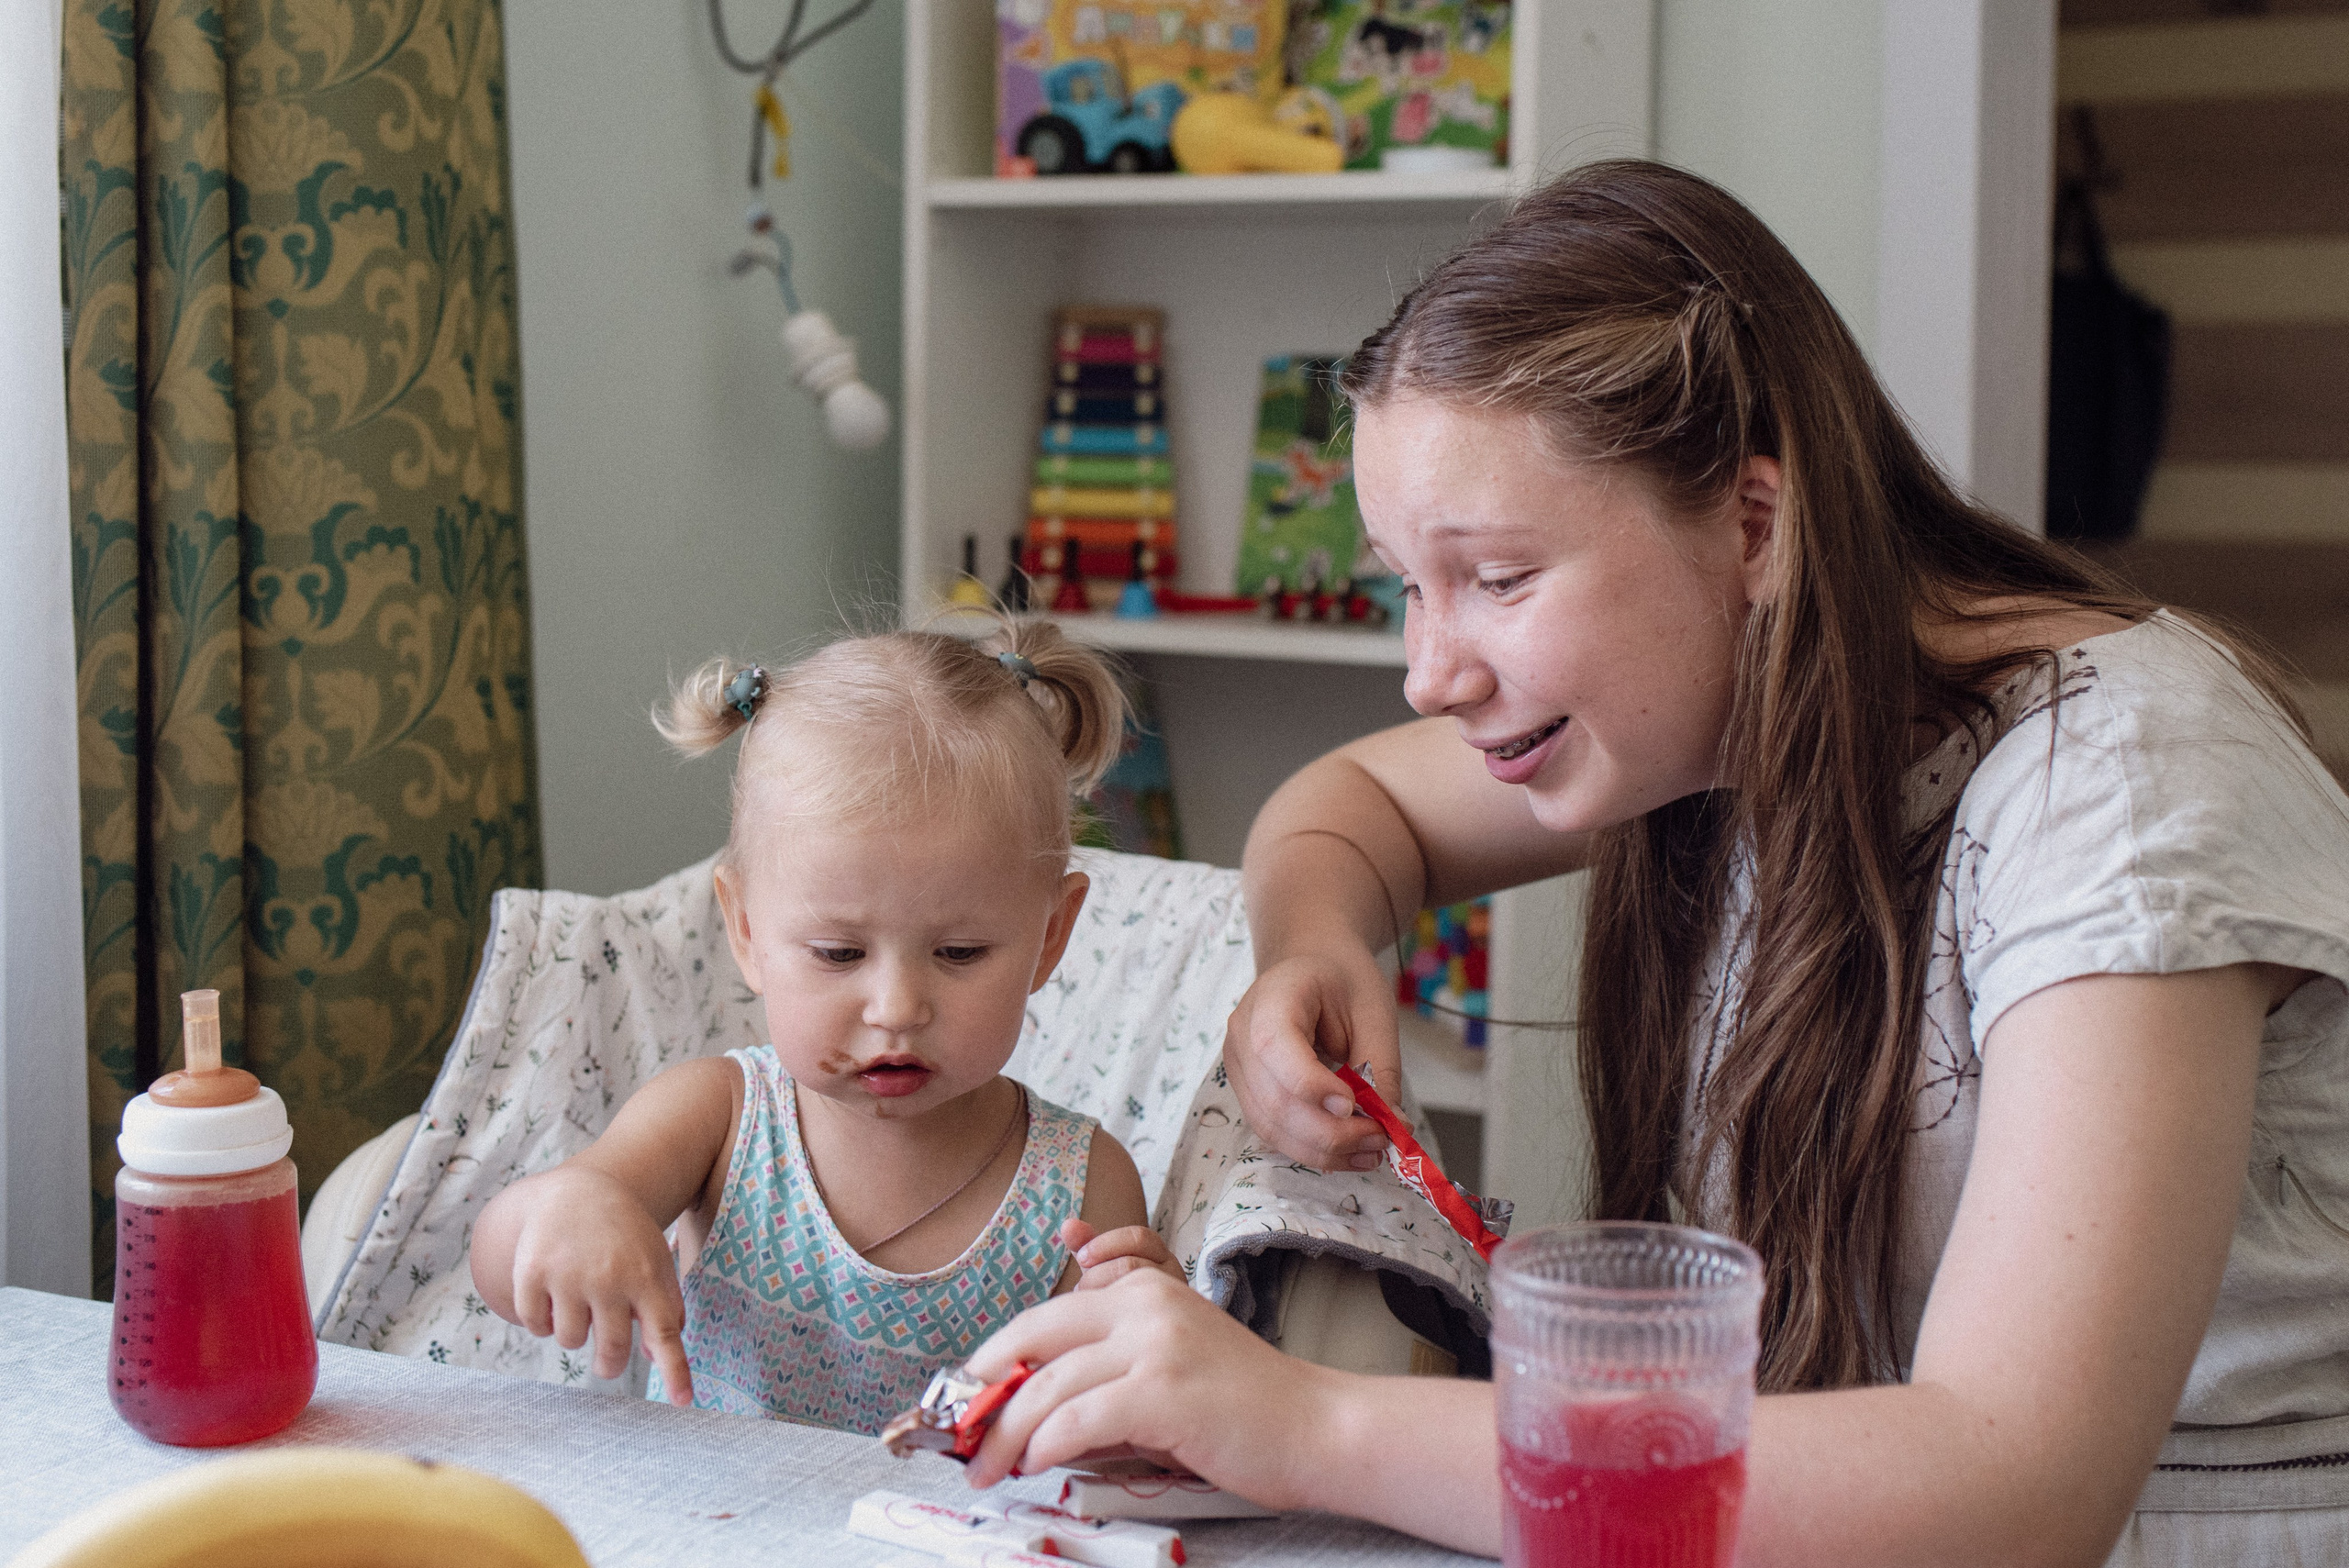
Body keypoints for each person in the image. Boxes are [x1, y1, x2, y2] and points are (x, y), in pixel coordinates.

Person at [956, 161, 2349, 1567]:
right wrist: (1316, 944)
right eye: (1404, 585)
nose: (1430, 673)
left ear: (1754, 527)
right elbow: (1348, 804)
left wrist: (1304, 1421)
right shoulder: (1726, 715)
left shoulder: (2120, 794)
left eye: (1498, 579)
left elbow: (2012, 1489)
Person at [470, 620, 1182, 1432]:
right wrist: (572, 1206)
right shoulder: (718, 1120)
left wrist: (1137, 1344)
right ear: (745, 932)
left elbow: (1109, 1433)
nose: (897, 1007)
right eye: (841, 952)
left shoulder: (1082, 1183)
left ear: (1050, 937)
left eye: (959, 951)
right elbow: (498, 1265)